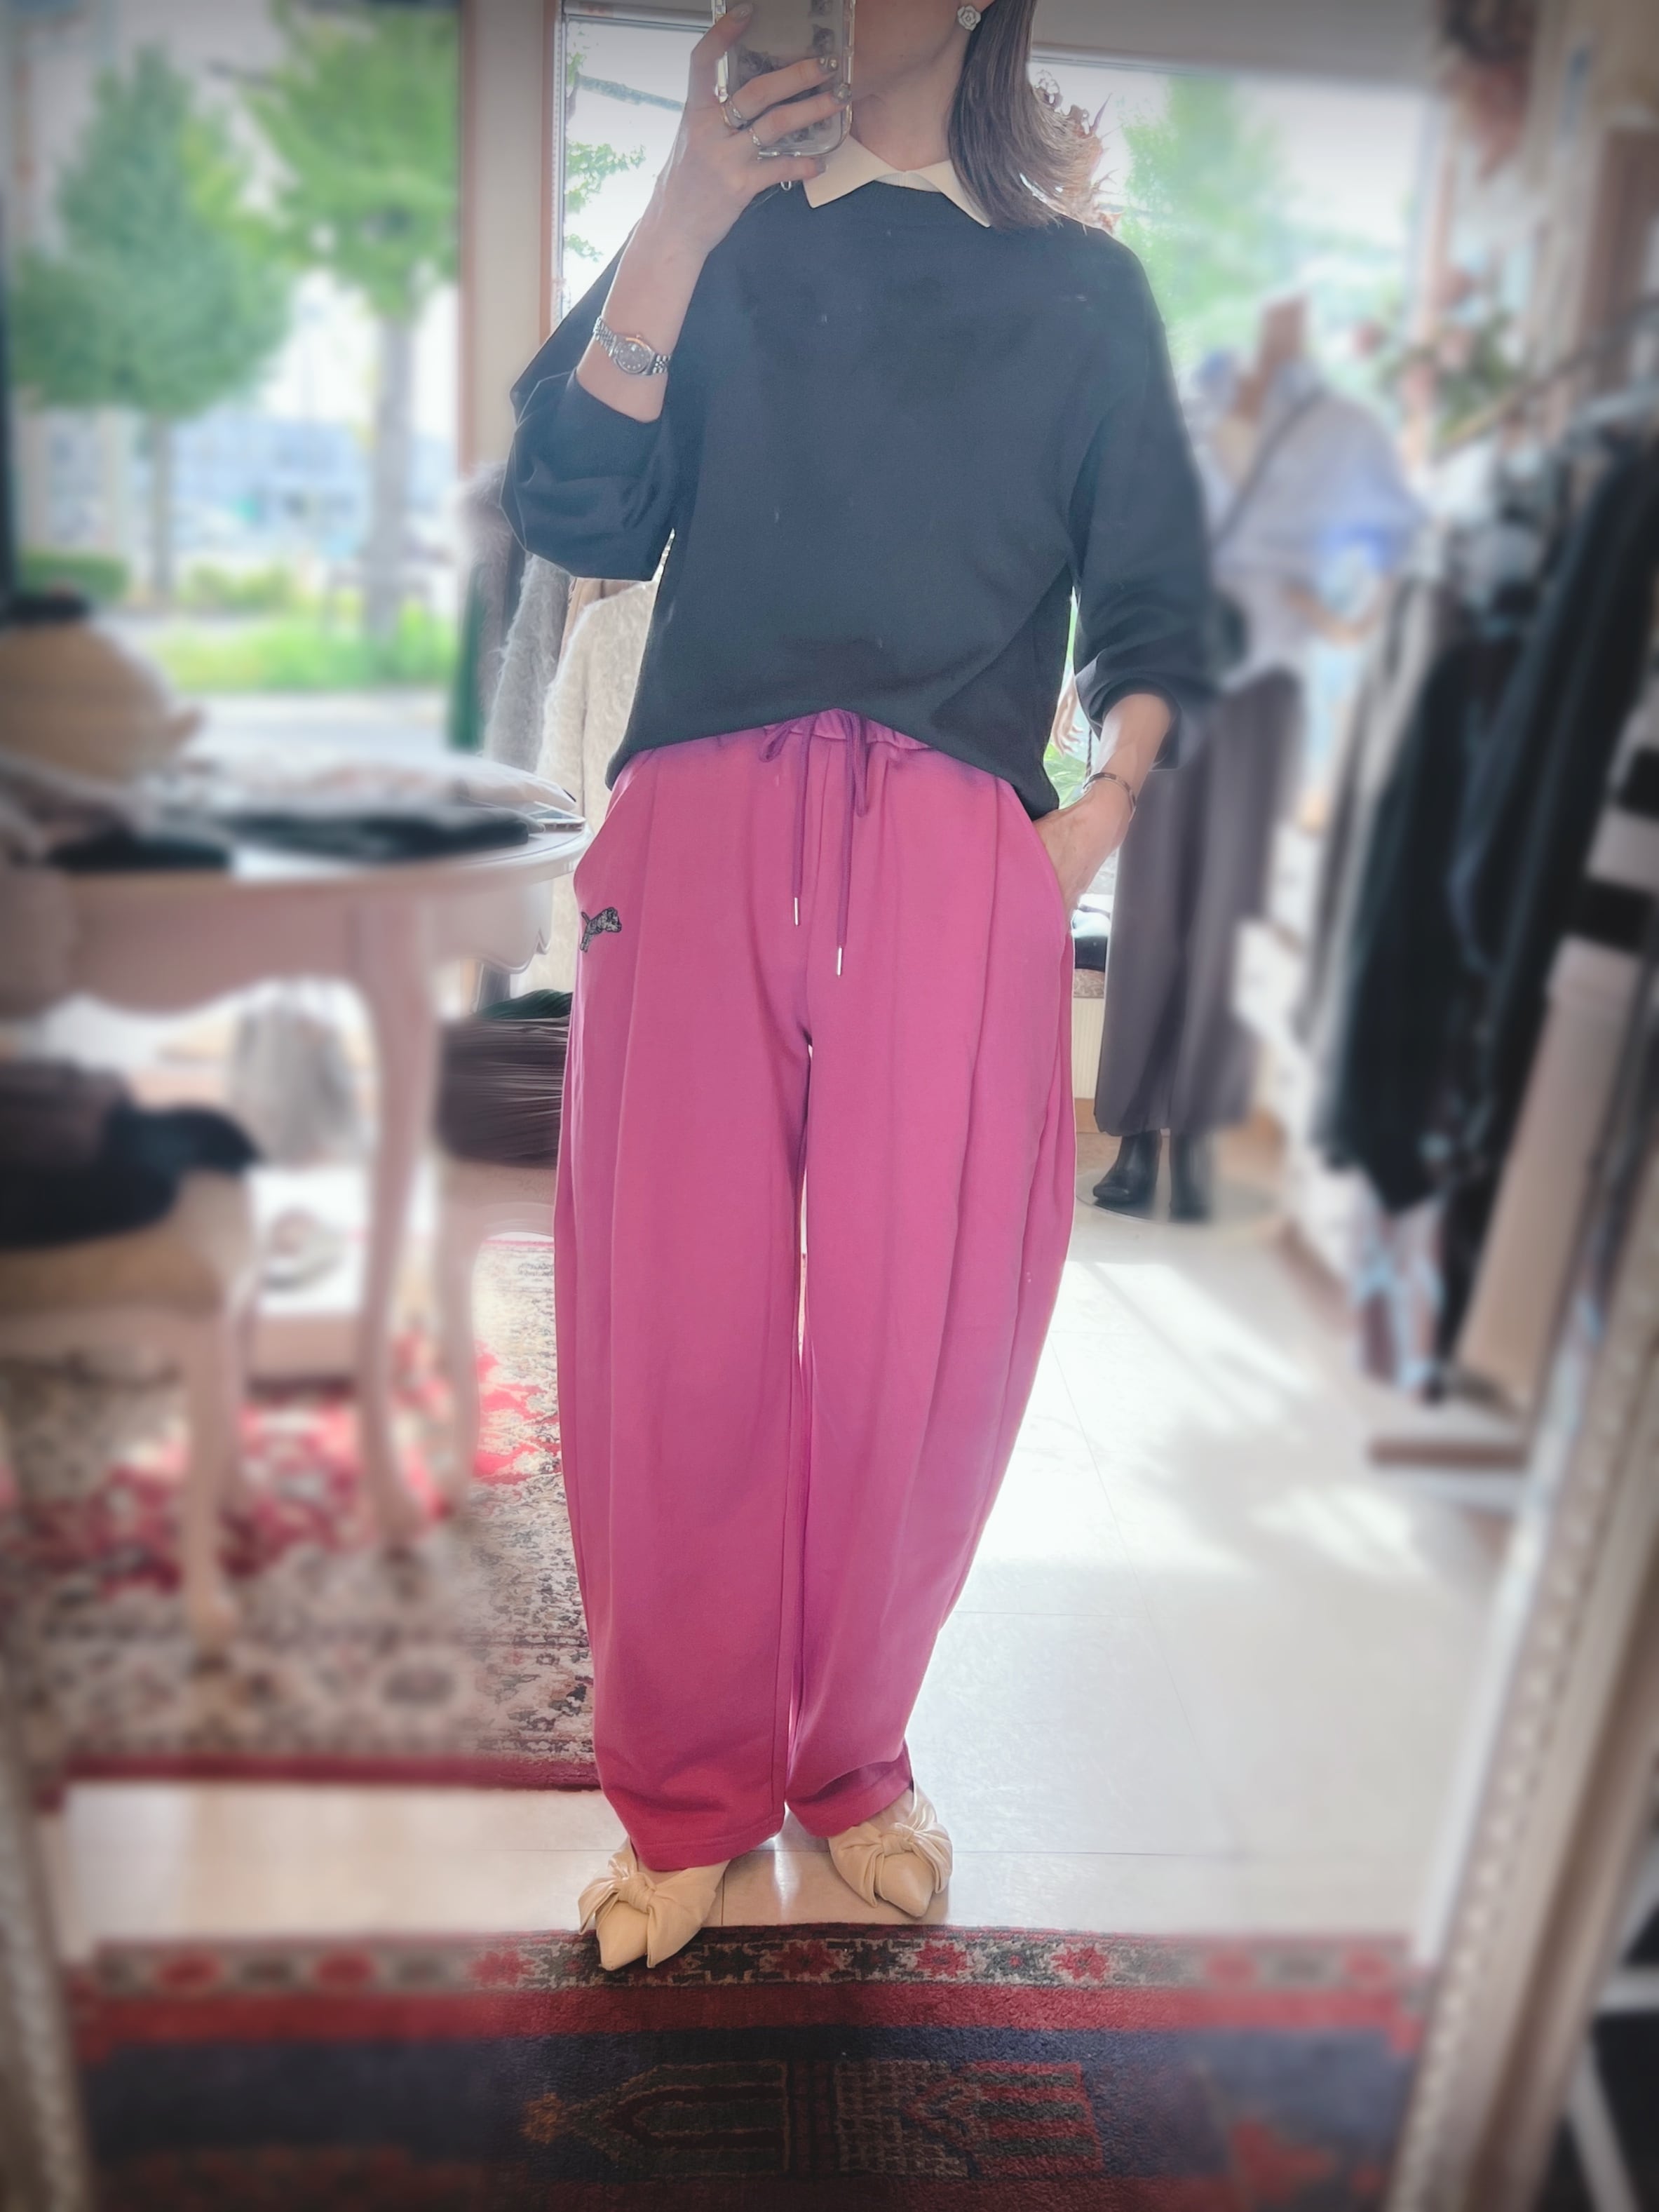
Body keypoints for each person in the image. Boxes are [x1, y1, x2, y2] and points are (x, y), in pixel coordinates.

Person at [503, 0, 1210, 1971]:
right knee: (674, 1324)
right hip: (702, 815)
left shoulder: (1084, 292)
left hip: (952, 845)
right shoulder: (713, 230)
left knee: (930, 1341)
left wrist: (1093, 819)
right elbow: (572, 509)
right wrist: (677, 207)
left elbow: (1156, 604)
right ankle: (684, 1786)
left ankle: (850, 1752)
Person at [1092, 298, 1423, 1222]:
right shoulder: (1184, 402)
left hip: (1266, 688)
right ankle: (1133, 1138)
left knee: (1230, 923)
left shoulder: (1342, 427)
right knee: (1148, 915)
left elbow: (1397, 543)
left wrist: (1336, 620)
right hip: (1163, 682)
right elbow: (1126, 542)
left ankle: (1197, 1140)